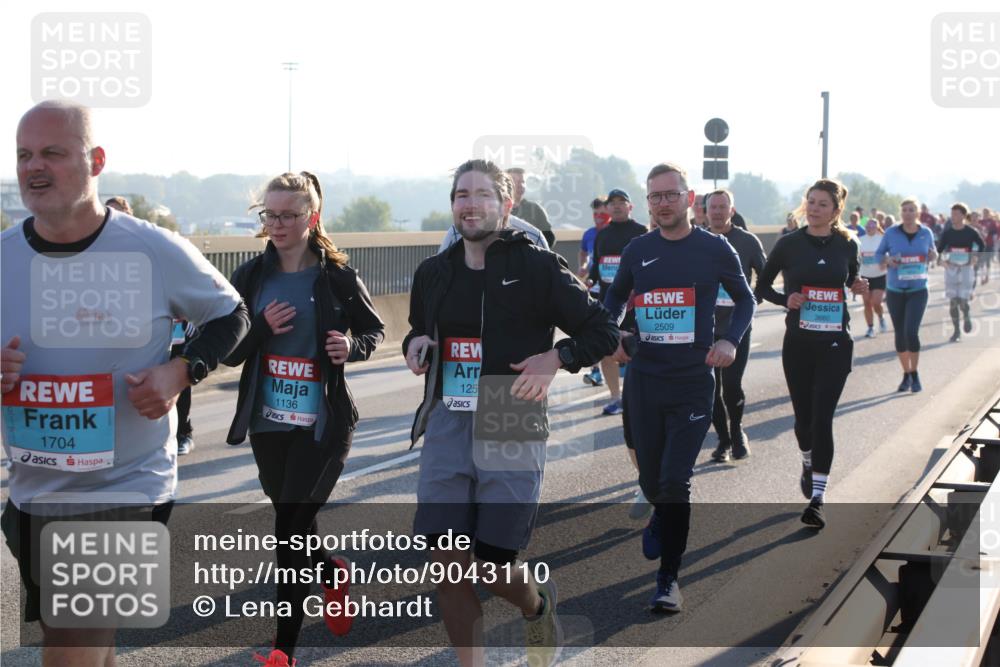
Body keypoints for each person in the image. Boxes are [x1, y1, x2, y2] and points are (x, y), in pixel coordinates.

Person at [2, 100, 249, 667]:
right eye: (23, 155)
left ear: (96, 161)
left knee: (71, 645)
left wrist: (181, 370)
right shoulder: (4, 257)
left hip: (126, 485)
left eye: (53, 154)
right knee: (83, 643)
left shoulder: (150, 248)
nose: (34, 168)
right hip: (33, 491)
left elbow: (232, 314)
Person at [404, 159, 616, 667]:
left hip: (509, 412)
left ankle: (537, 603)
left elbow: (602, 330)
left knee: (493, 567)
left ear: (507, 204)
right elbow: (418, 328)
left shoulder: (537, 267)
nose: (470, 204)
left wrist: (556, 358)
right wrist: (417, 343)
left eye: (482, 195)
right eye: (461, 195)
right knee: (448, 565)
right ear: (452, 204)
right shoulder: (434, 272)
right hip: (450, 415)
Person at [222, 171, 385, 665]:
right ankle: (333, 572)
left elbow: (374, 332)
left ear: (312, 217)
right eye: (270, 215)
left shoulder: (336, 277)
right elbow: (228, 352)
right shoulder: (251, 277)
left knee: (288, 531)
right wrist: (261, 331)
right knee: (293, 519)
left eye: (289, 215)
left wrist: (350, 346)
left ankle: (282, 652)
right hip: (268, 422)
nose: (278, 224)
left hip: (322, 424)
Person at [605, 163, 755, 613]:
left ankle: (669, 579)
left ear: (689, 199)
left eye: (671, 195)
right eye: (655, 197)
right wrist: (611, 333)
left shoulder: (715, 248)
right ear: (647, 203)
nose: (663, 203)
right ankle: (658, 509)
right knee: (652, 481)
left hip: (692, 381)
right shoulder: (638, 249)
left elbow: (745, 299)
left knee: (675, 481)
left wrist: (729, 339)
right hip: (645, 381)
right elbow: (612, 299)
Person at [756, 179, 868, 530]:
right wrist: (784, 299)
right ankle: (807, 460)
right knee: (804, 421)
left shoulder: (848, 244)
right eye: (811, 202)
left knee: (822, 419)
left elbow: (851, 279)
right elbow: (761, 286)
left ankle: (818, 498)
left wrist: (858, 286)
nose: (815, 208)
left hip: (835, 342)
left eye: (823, 204)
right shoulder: (789, 244)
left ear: (836, 211)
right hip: (799, 344)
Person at [704, 189, 766, 463]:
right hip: (704, 329)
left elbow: (764, 276)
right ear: (705, 211)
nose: (717, 211)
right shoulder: (697, 240)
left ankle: (737, 429)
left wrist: (750, 301)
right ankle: (724, 441)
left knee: (731, 385)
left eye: (722, 206)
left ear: (731, 209)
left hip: (736, 329)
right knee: (710, 389)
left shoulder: (747, 241)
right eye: (712, 207)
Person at [587, 188, 646, 417]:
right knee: (606, 350)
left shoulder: (640, 232)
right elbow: (597, 265)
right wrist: (589, 279)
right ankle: (615, 397)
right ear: (608, 207)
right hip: (607, 302)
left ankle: (637, 396)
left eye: (623, 202)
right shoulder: (602, 234)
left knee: (635, 349)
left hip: (634, 303)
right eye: (613, 203)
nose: (618, 206)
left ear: (630, 207)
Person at [875, 199, 936, 391]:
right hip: (895, 291)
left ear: (917, 213)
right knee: (900, 335)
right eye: (904, 210)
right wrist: (888, 260)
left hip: (918, 290)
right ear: (900, 213)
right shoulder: (892, 232)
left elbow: (933, 253)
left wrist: (935, 255)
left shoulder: (926, 233)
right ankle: (906, 373)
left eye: (911, 210)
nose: (908, 213)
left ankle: (915, 373)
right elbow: (878, 255)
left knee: (911, 332)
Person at [936, 202, 985, 342]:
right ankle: (956, 331)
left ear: (963, 216)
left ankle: (966, 314)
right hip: (951, 268)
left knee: (963, 300)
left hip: (966, 268)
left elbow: (982, 245)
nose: (953, 217)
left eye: (956, 214)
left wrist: (976, 257)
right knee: (953, 301)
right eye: (952, 214)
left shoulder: (971, 232)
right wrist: (941, 261)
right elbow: (939, 249)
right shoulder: (948, 232)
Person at [579, 197, 611, 387]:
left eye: (602, 214)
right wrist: (582, 265)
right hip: (593, 287)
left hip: (613, 289)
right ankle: (595, 371)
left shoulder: (613, 233)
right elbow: (583, 252)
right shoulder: (589, 234)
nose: (598, 217)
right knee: (592, 328)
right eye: (595, 214)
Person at [507, 167, 555, 247]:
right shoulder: (497, 211)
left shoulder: (535, 209)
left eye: (522, 182)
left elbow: (549, 238)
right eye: (515, 182)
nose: (520, 185)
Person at [859, 218, 888, 338]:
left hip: (879, 275)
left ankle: (881, 317)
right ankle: (870, 327)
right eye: (868, 226)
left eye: (872, 226)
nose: (870, 228)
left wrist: (884, 262)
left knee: (876, 302)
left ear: (877, 228)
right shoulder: (860, 240)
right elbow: (856, 258)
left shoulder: (882, 239)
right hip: (865, 275)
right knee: (866, 302)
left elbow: (889, 254)